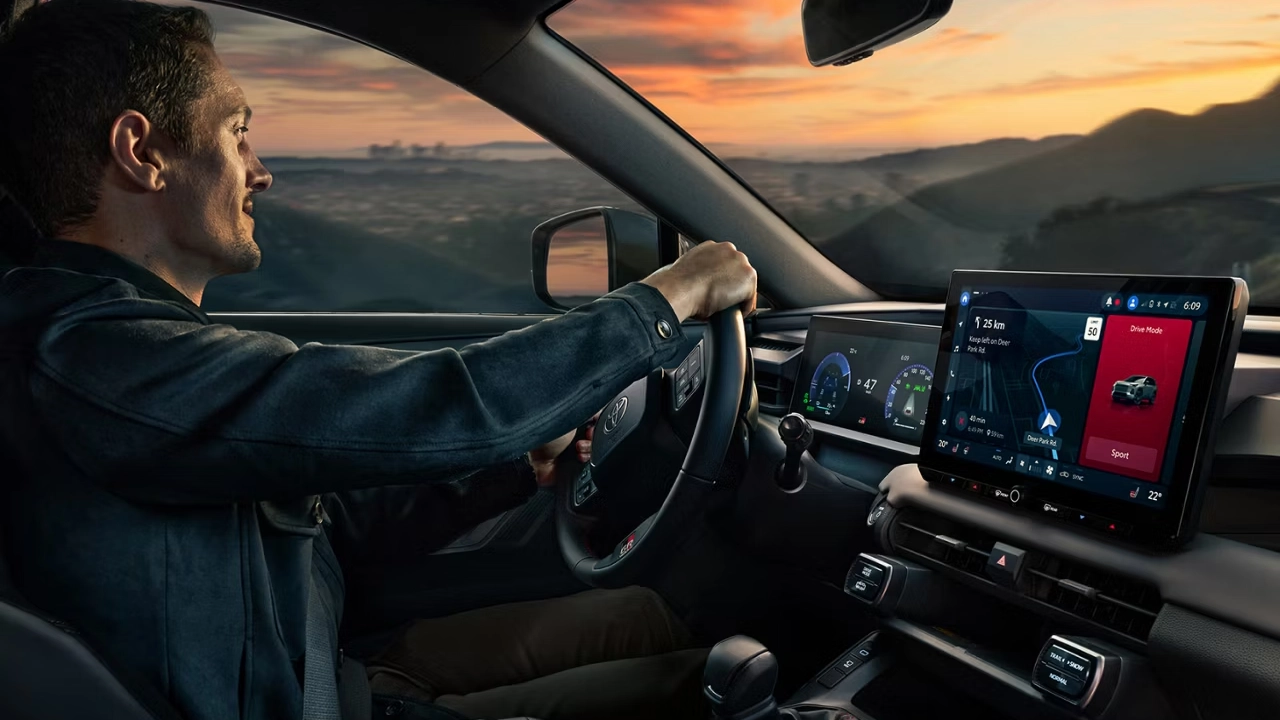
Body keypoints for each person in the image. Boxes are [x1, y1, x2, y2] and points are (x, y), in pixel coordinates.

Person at [0, 2, 758, 720]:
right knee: (705, 683)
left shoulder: (117, 347)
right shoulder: (99, 359)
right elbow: (425, 403)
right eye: (237, 133)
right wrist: (663, 300)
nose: (259, 171)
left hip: (328, 670)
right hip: (313, 698)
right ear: (142, 153)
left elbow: (316, 522)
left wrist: (514, 465)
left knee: (644, 620)